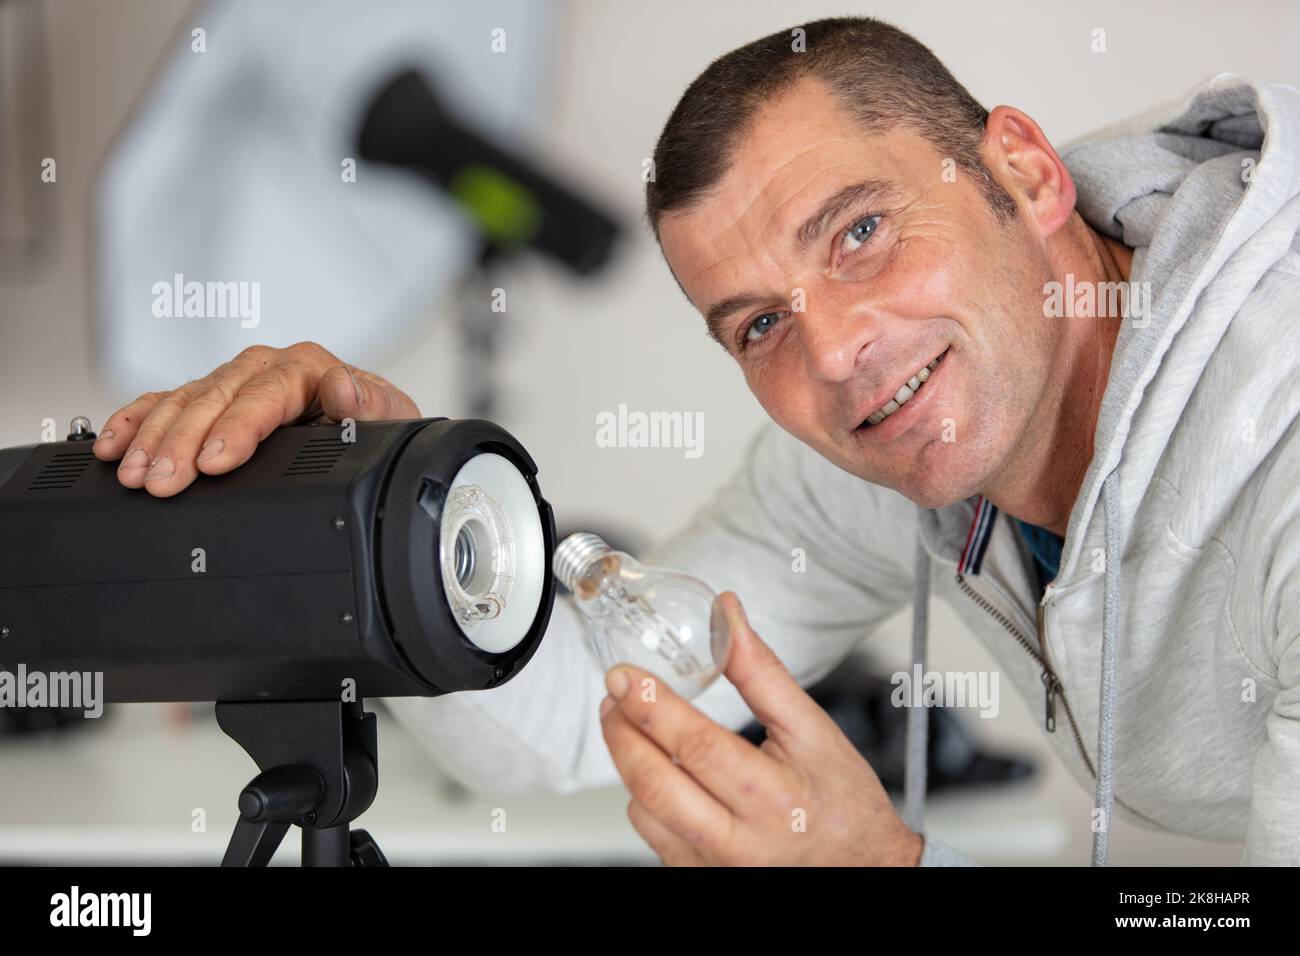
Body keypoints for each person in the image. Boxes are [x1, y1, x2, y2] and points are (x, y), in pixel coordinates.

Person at [91, 18, 1300, 865]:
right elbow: (568, 716)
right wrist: (394, 487)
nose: (832, 353)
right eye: (759, 322)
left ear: (1024, 173)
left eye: (862, 230)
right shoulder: (892, 449)